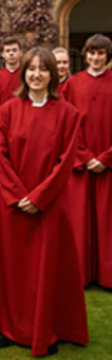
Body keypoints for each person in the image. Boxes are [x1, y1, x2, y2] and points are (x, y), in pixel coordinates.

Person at [0, 47, 88, 356]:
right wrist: (17, 195)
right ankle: (11, 327)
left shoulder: (68, 114)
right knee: (13, 269)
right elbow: (0, 153)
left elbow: (65, 163)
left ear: (52, 74)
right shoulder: (8, 110)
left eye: (43, 69)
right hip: (12, 206)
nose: (36, 75)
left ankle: (45, 329)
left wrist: (38, 198)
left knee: (45, 269)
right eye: (31, 69)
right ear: (24, 73)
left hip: (48, 207)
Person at [63, 34, 112, 288]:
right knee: (80, 222)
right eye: (91, 53)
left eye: (100, 53)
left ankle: (107, 275)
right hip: (81, 164)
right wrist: (85, 156)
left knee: (107, 223)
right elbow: (68, 125)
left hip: (108, 166)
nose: (95, 58)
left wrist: (105, 158)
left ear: (107, 56)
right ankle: (80, 274)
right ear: (85, 55)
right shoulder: (72, 84)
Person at [0, 37, 23, 104]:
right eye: (8, 51)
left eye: (14, 50)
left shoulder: (26, 75)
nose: (11, 53)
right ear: (3, 54)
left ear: (21, 53)